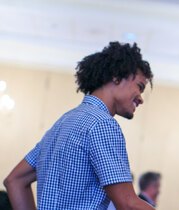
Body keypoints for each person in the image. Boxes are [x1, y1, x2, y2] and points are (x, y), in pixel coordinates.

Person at [3, 41, 155, 210]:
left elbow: (15, 180)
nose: (141, 98)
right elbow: (128, 204)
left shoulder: (62, 123)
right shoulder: (102, 124)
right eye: (139, 87)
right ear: (116, 76)